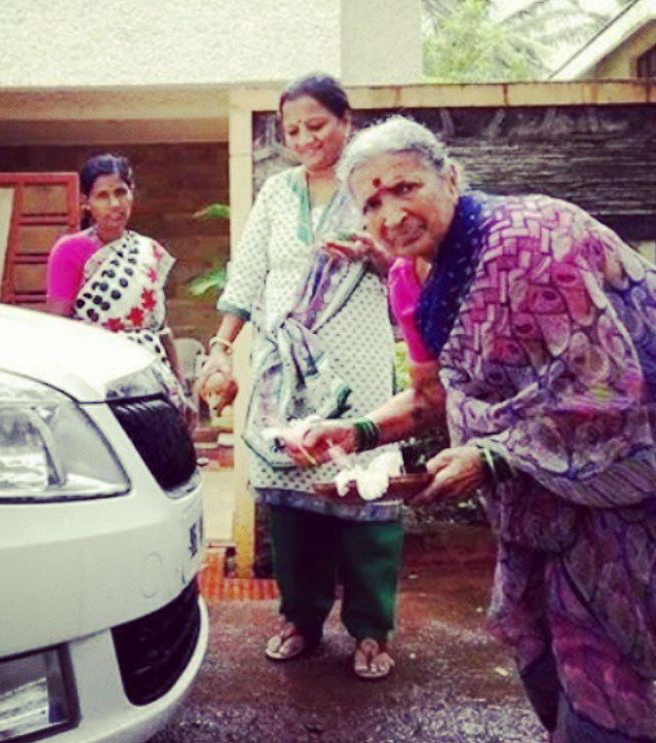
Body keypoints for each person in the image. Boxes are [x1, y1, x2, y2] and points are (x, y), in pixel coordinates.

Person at [292, 116, 656, 741]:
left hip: (616, 485)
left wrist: (488, 458)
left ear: (452, 177)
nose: (392, 213)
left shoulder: (537, 240)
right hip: (532, 497)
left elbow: (605, 390)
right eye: (372, 202)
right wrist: (356, 432)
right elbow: (434, 395)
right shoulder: (410, 278)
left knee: (597, 663)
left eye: (406, 187)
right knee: (533, 642)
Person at [196, 74, 404, 680]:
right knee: (292, 503)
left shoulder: (371, 186)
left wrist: (375, 256)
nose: (305, 138)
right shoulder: (277, 194)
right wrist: (220, 349)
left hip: (360, 369)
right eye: (293, 130)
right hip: (285, 377)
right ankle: (301, 619)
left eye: (317, 124)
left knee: (366, 492)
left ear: (346, 121)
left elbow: (411, 267)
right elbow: (248, 276)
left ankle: (370, 629)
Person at [47, 153, 190, 419]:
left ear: (131, 193)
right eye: (102, 196)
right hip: (96, 380)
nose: (115, 204)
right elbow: (58, 328)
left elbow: (160, 327)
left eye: (121, 192)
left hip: (150, 378)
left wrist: (181, 388)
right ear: (86, 202)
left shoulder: (150, 251)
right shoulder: (69, 251)